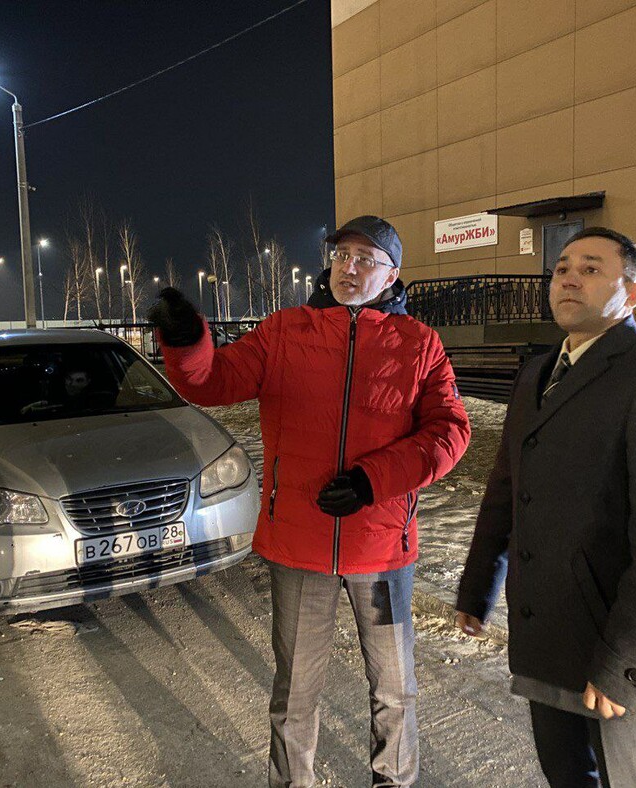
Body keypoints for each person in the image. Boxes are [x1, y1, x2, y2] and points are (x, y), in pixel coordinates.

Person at [148, 215, 470, 787]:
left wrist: (373, 481)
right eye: (342, 255)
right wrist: (185, 340)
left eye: (366, 259)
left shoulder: (419, 344)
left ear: (392, 275)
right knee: (295, 691)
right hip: (300, 547)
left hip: (381, 551)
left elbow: (449, 432)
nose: (349, 267)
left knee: (395, 689)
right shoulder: (284, 332)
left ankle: (394, 781)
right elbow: (212, 381)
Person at [454, 227, 636, 786]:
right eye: (562, 268)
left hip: (617, 643)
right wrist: (477, 586)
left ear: (634, 293)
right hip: (546, 634)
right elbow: (507, 489)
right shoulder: (536, 375)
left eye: (592, 268)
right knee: (567, 776)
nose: (569, 278)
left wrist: (626, 662)